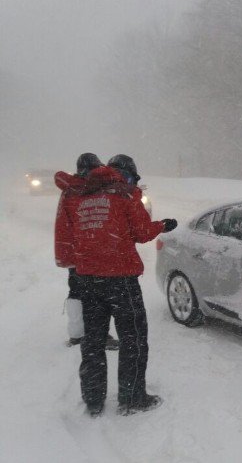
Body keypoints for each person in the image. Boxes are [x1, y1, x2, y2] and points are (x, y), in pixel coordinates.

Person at [55, 154, 178, 417]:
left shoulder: (78, 194)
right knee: (132, 339)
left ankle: (93, 398)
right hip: (121, 280)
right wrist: (163, 225)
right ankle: (132, 398)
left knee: (93, 341)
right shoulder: (125, 193)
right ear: (127, 174)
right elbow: (142, 232)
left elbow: (67, 235)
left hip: (88, 279)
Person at [54, 153, 119, 350]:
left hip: (73, 250)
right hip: (90, 250)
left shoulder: (69, 190)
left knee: (76, 290)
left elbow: (66, 224)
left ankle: (76, 335)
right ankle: (98, 335)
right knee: (97, 293)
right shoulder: (95, 188)